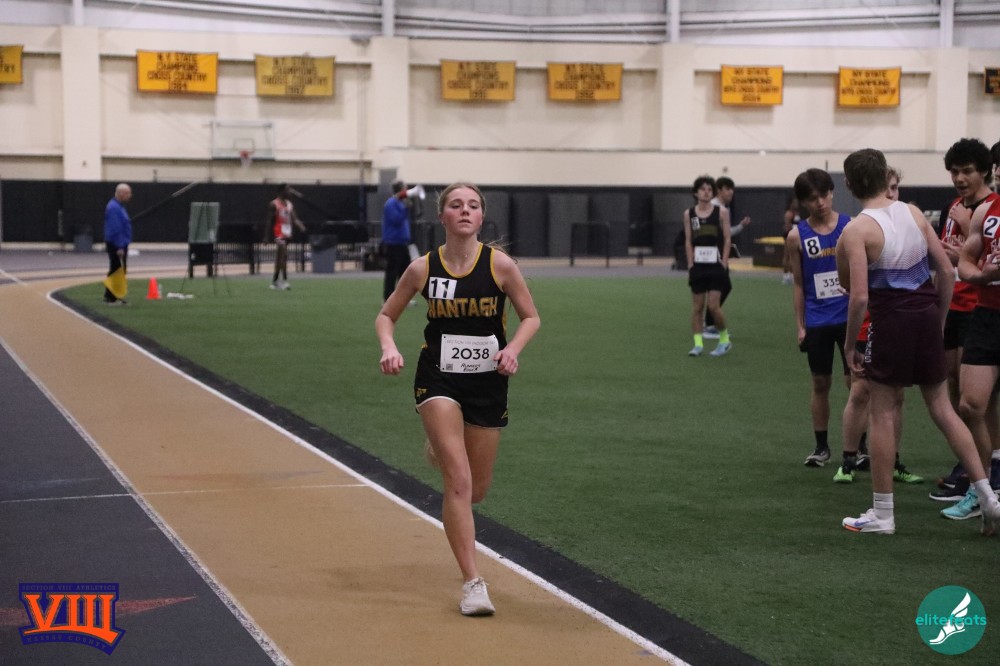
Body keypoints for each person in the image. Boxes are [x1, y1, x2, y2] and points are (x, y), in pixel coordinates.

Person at [376, 182, 541, 615]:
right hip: (438, 379)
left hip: (488, 382)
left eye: (472, 205)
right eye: (455, 205)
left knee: (477, 490)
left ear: (481, 217)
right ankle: (473, 583)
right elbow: (386, 314)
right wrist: (389, 346)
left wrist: (512, 349)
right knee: (459, 483)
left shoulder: (500, 266)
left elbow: (531, 317)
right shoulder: (422, 269)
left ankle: (441, 448)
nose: (464, 210)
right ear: (442, 217)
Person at [835, 147, 1000, 535]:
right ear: (885, 177)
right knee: (943, 409)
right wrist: (938, 320)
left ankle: (883, 513)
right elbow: (945, 270)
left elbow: (858, 296)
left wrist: (850, 344)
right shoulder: (912, 213)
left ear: (849, 185)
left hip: (890, 321)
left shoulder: (855, 231)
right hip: (926, 315)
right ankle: (989, 497)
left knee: (883, 412)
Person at [833, 166, 922, 485]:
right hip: (870, 320)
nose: (892, 194)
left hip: (899, 322)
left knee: (896, 395)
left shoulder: (908, 220)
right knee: (860, 391)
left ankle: (893, 460)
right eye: (887, 188)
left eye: (896, 187)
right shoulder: (862, 227)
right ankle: (848, 459)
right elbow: (852, 285)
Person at [929, 140, 997, 503]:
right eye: (954, 172)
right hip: (954, 305)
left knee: (979, 401)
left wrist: (967, 240)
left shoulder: (988, 210)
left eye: (967, 171)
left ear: (984, 171)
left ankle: (985, 472)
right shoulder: (951, 208)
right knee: (954, 387)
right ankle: (967, 463)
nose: (959, 179)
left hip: (980, 307)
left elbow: (988, 259)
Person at [946, 138, 1000, 520]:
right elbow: (966, 260)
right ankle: (984, 492)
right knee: (970, 404)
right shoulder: (987, 211)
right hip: (986, 313)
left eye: (968, 170)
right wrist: (981, 275)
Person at [784, 169, 851, 468]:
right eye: (813, 198)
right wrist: (800, 325)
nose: (820, 203)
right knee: (820, 383)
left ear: (832, 192)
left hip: (850, 317)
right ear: (803, 202)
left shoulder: (850, 227)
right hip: (818, 320)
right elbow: (799, 284)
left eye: (824, 195)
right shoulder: (796, 236)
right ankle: (821, 447)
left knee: (857, 385)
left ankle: (858, 446)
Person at [684, 175, 732, 357]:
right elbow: (688, 240)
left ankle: (724, 340)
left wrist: (724, 262)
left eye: (709, 189)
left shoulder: (721, 213)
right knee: (697, 307)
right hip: (698, 266)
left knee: (713, 306)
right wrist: (690, 263)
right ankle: (698, 345)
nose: (706, 192)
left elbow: (727, 239)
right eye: (703, 189)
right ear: (696, 193)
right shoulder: (689, 214)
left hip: (715, 266)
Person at [704, 176, 749, 337]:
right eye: (727, 189)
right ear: (719, 190)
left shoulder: (722, 208)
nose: (731, 192)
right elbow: (720, 233)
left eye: (732, 189)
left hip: (719, 254)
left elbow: (725, 233)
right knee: (721, 286)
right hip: (714, 255)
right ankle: (709, 324)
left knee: (723, 287)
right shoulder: (715, 207)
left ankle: (709, 323)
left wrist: (740, 227)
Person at [268, 184, 306, 290]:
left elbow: (294, 218)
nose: (290, 192)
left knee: (279, 259)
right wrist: (266, 236)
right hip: (278, 233)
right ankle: (284, 281)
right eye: (288, 190)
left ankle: (275, 281)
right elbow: (269, 220)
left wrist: (301, 226)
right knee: (283, 256)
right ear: (282, 191)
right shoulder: (274, 204)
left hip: (287, 233)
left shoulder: (289, 204)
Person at [382, 180, 413, 302]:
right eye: (405, 189)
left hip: (402, 243)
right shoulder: (391, 203)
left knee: (405, 272)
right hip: (393, 243)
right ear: (400, 190)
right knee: (392, 272)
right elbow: (396, 220)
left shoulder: (400, 203)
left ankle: (403, 298)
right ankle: (388, 298)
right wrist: (406, 209)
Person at [103, 183, 132, 305]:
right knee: (117, 269)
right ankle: (111, 297)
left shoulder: (118, 206)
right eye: (127, 193)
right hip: (116, 244)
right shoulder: (114, 208)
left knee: (118, 269)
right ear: (120, 193)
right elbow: (115, 228)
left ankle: (113, 295)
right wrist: (120, 246)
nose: (130, 196)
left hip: (119, 242)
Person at [781, 195, 801, 285]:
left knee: (795, 256)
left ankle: (792, 274)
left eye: (797, 202)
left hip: (797, 237)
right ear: (791, 204)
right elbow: (787, 226)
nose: (796, 204)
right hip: (789, 236)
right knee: (787, 256)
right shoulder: (788, 214)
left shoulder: (797, 213)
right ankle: (785, 276)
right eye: (795, 202)